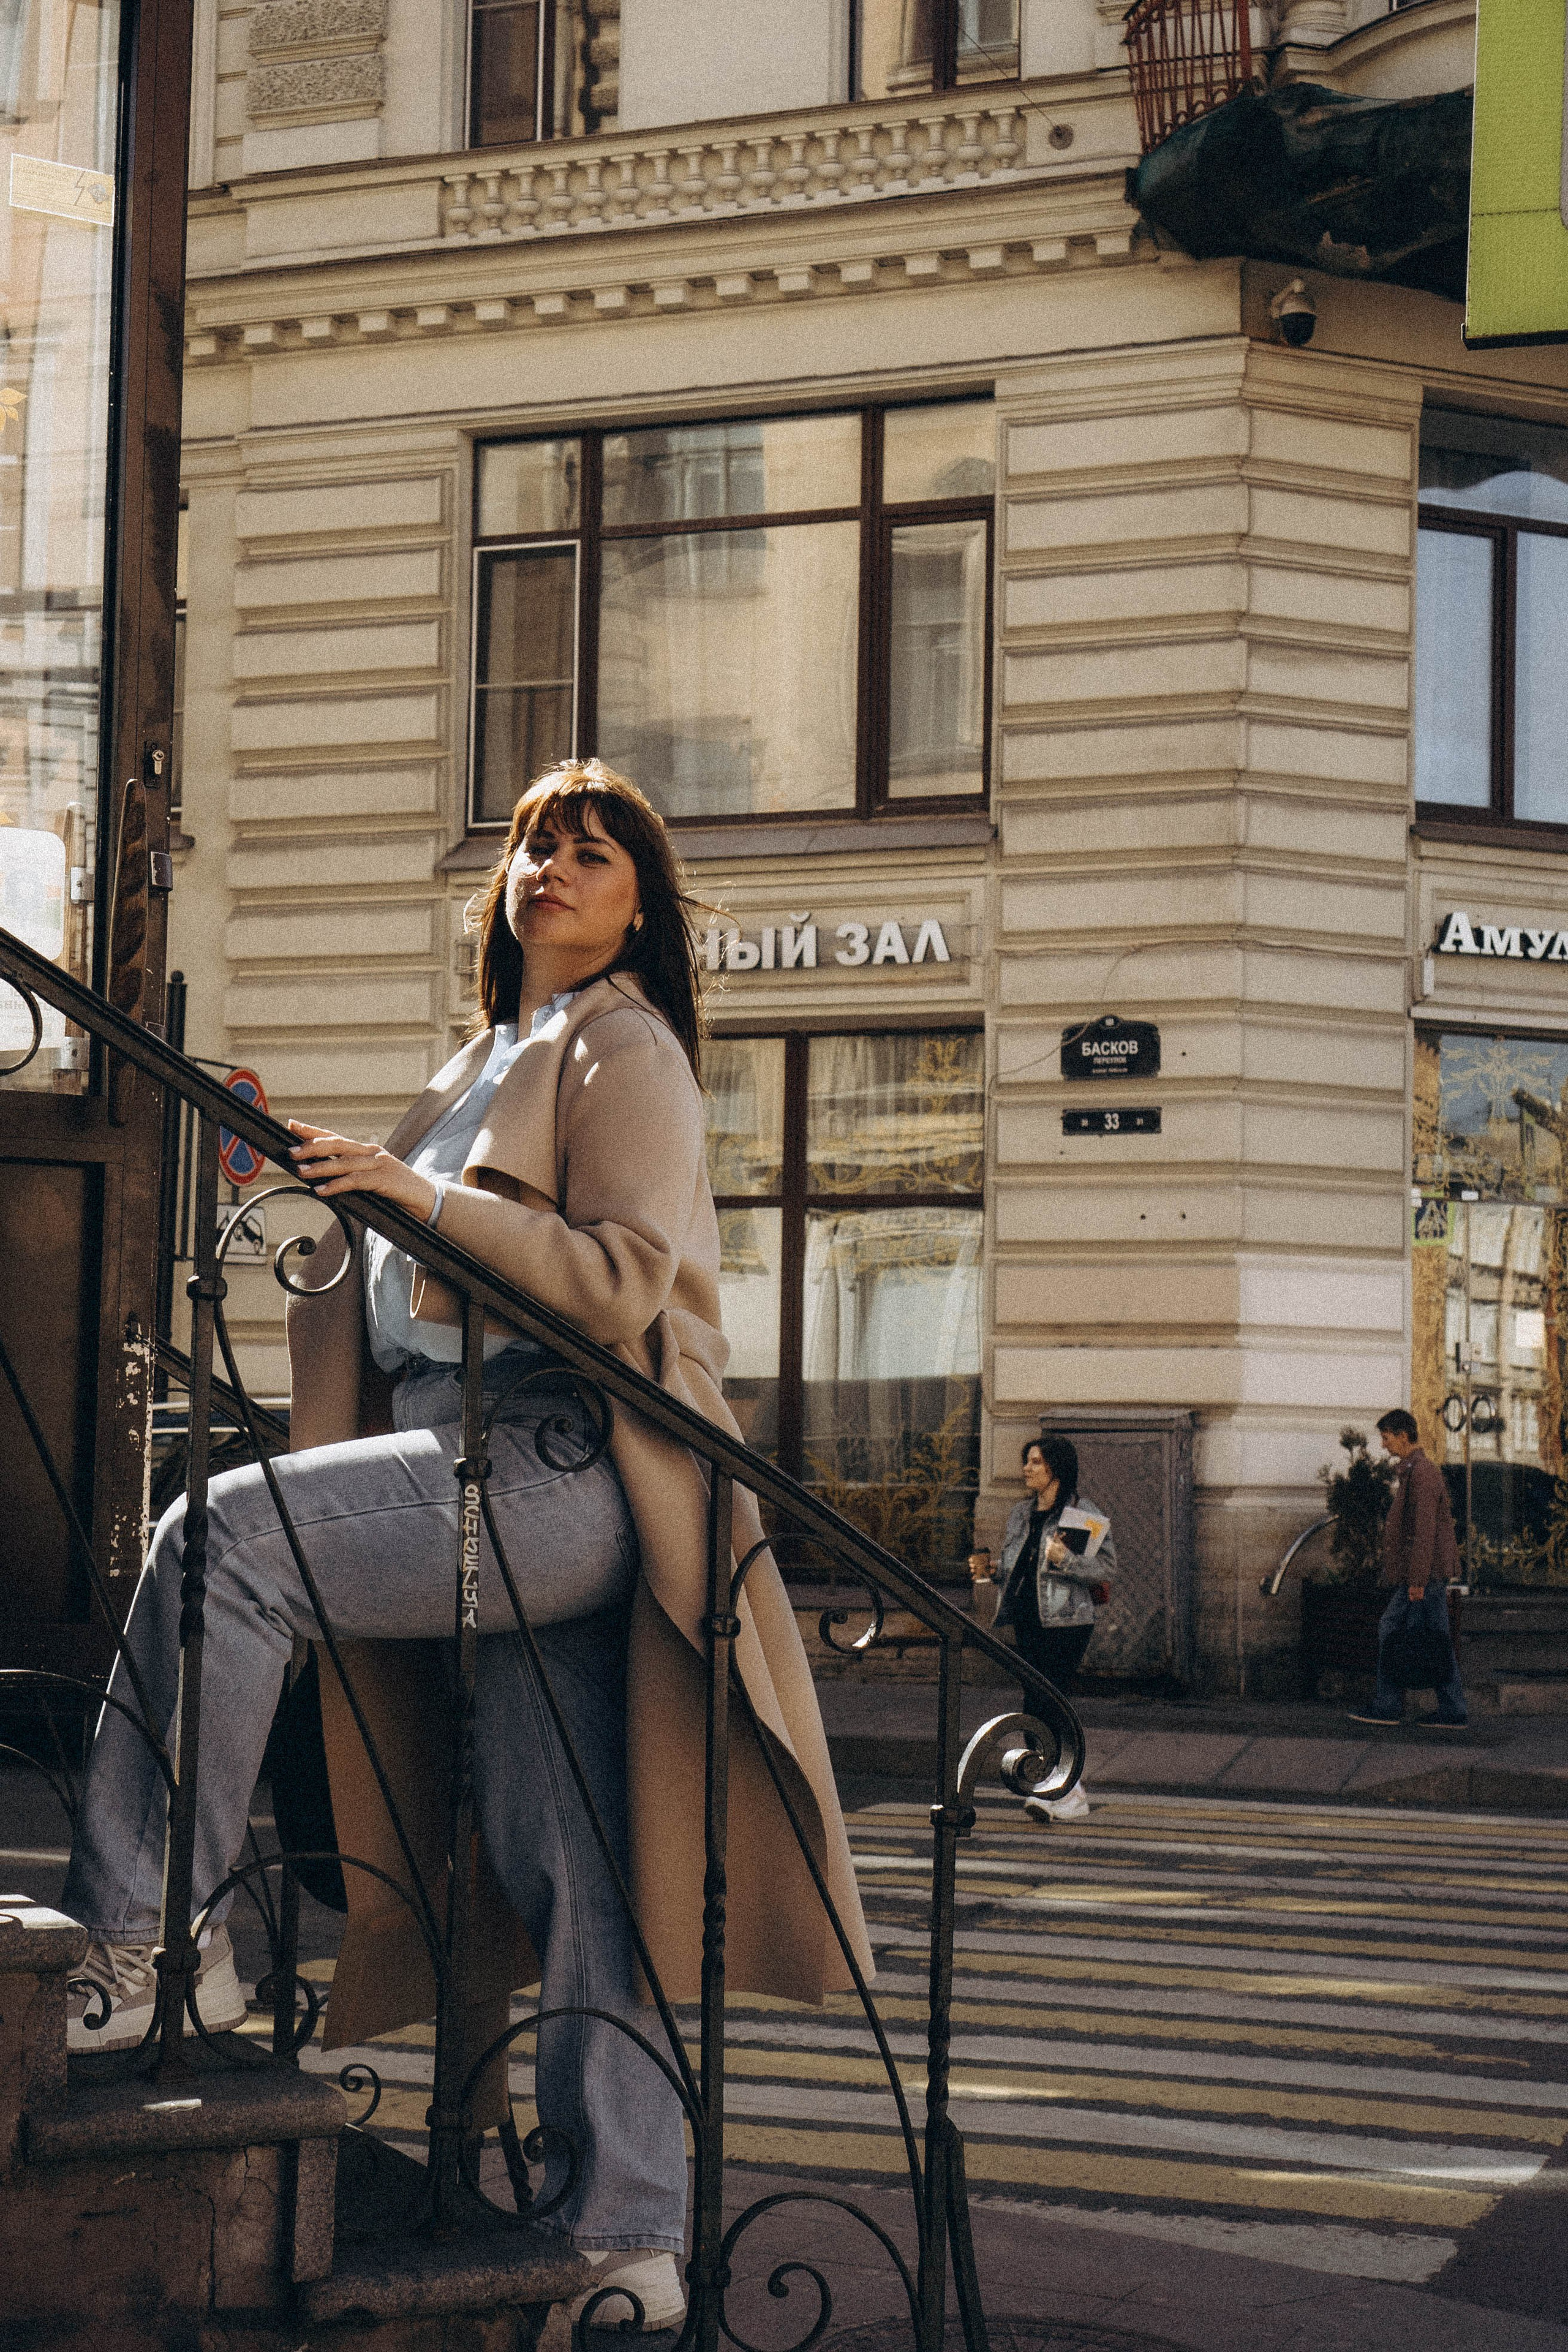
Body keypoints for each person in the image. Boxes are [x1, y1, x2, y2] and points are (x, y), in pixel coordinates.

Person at [59, 760, 872, 2328]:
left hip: (559, 1456)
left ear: (640, 905)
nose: (549, 869)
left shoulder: (623, 1041)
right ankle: (623, 2229)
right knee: (571, 1855)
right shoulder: (487, 1053)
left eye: (589, 853)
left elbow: (620, 1275)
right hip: (476, 1449)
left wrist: (410, 1196)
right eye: (531, 847)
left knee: (224, 1544)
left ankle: (153, 1939)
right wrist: (362, 1203)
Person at [996, 1435, 1117, 1824]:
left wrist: (1066, 1560)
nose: (1026, 1469)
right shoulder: (1021, 1513)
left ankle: (1065, 1788)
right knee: (1034, 1704)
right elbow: (1017, 1567)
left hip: (1067, 1621)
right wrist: (992, 1572)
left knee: (1052, 1702)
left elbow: (1106, 1569)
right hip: (1027, 1618)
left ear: (1056, 1470)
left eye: (1035, 1462)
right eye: (1027, 1461)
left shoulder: (1080, 1514)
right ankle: (1055, 1786)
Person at [1348, 1407, 1468, 1729]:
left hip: (1425, 1575)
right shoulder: (1414, 1471)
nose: (1384, 1445)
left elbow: (1424, 1532)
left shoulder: (1422, 1474)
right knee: (1436, 1638)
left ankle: (1389, 1706)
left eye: (1387, 1437)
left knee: (1394, 1628)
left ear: (1403, 1436)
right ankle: (1451, 1709)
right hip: (1427, 1574)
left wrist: (1416, 1580)